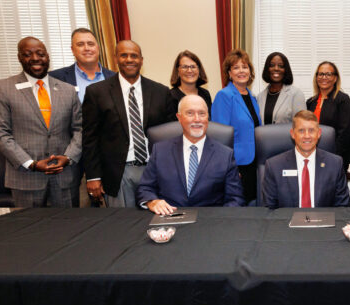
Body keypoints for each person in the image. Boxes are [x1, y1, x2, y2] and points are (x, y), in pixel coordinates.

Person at [0, 37, 81, 207]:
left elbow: (80, 129)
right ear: (19, 58)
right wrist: (31, 164)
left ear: (48, 57)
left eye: (40, 54)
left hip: (64, 177)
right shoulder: (4, 88)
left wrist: (68, 157)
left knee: (69, 230)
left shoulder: (68, 90)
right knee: (28, 232)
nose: (36, 58)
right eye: (28, 54)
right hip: (25, 179)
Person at [82, 40, 175, 207]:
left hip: (154, 170)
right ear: (116, 58)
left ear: (141, 60)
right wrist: (93, 176)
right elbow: (89, 138)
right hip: (118, 172)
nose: (129, 59)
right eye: (124, 55)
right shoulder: (97, 92)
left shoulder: (161, 92)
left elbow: (170, 134)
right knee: (123, 225)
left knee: (157, 221)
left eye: (134, 56)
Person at [136, 95, 244, 214]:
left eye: (202, 113)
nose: (197, 119)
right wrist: (153, 201)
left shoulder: (225, 155)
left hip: (209, 223)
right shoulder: (160, 150)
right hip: (169, 219)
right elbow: (144, 188)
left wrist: (218, 220)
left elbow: (235, 198)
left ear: (208, 117)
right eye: (190, 113)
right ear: (179, 117)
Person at [49, 28, 116, 207]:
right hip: (70, 157)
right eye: (80, 44)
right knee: (77, 213)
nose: (86, 48)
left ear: (98, 48)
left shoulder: (115, 78)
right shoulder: (55, 79)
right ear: (72, 49)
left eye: (90, 43)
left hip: (107, 156)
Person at [262, 110, 350, 209]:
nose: (307, 136)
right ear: (292, 134)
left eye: (311, 130)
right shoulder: (274, 166)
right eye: (301, 131)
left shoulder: (335, 164)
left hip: (324, 223)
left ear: (319, 133)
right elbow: (269, 209)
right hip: (286, 222)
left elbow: (343, 207)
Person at [212, 49, 261, 202]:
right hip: (237, 165)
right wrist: (230, 167)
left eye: (245, 67)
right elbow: (220, 137)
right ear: (229, 72)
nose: (241, 71)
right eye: (236, 67)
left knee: (254, 205)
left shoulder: (252, 98)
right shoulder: (224, 96)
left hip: (255, 163)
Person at [306, 61, 350, 176]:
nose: (324, 77)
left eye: (328, 74)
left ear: (335, 78)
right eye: (320, 74)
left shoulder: (342, 99)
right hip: (313, 157)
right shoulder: (310, 102)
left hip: (336, 157)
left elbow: (345, 134)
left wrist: (332, 158)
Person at [257, 52, 306, 125]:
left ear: (286, 70)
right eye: (272, 65)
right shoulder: (259, 97)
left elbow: (302, 124)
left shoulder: (296, 94)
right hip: (264, 136)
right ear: (267, 69)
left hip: (287, 136)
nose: (276, 68)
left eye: (281, 66)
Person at [169, 50, 212, 118]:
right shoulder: (170, 96)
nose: (189, 71)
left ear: (199, 70)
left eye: (193, 67)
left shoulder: (205, 94)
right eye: (184, 67)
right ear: (178, 71)